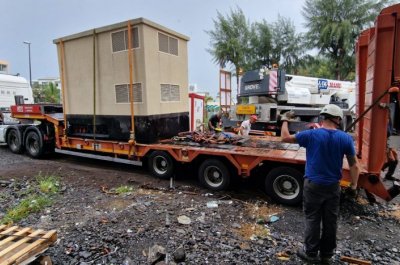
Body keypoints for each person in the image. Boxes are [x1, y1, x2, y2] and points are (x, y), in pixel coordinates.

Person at [280, 104, 360, 264]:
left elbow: (284, 138)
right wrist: (353, 186)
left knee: (312, 218)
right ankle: (327, 255)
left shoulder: (311, 134)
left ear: (323, 118)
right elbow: (354, 165)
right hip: (333, 186)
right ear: (337, 119)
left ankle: (310, 253)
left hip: (313, 185)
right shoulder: (345, 138)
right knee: (330, 220)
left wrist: (284, 120)